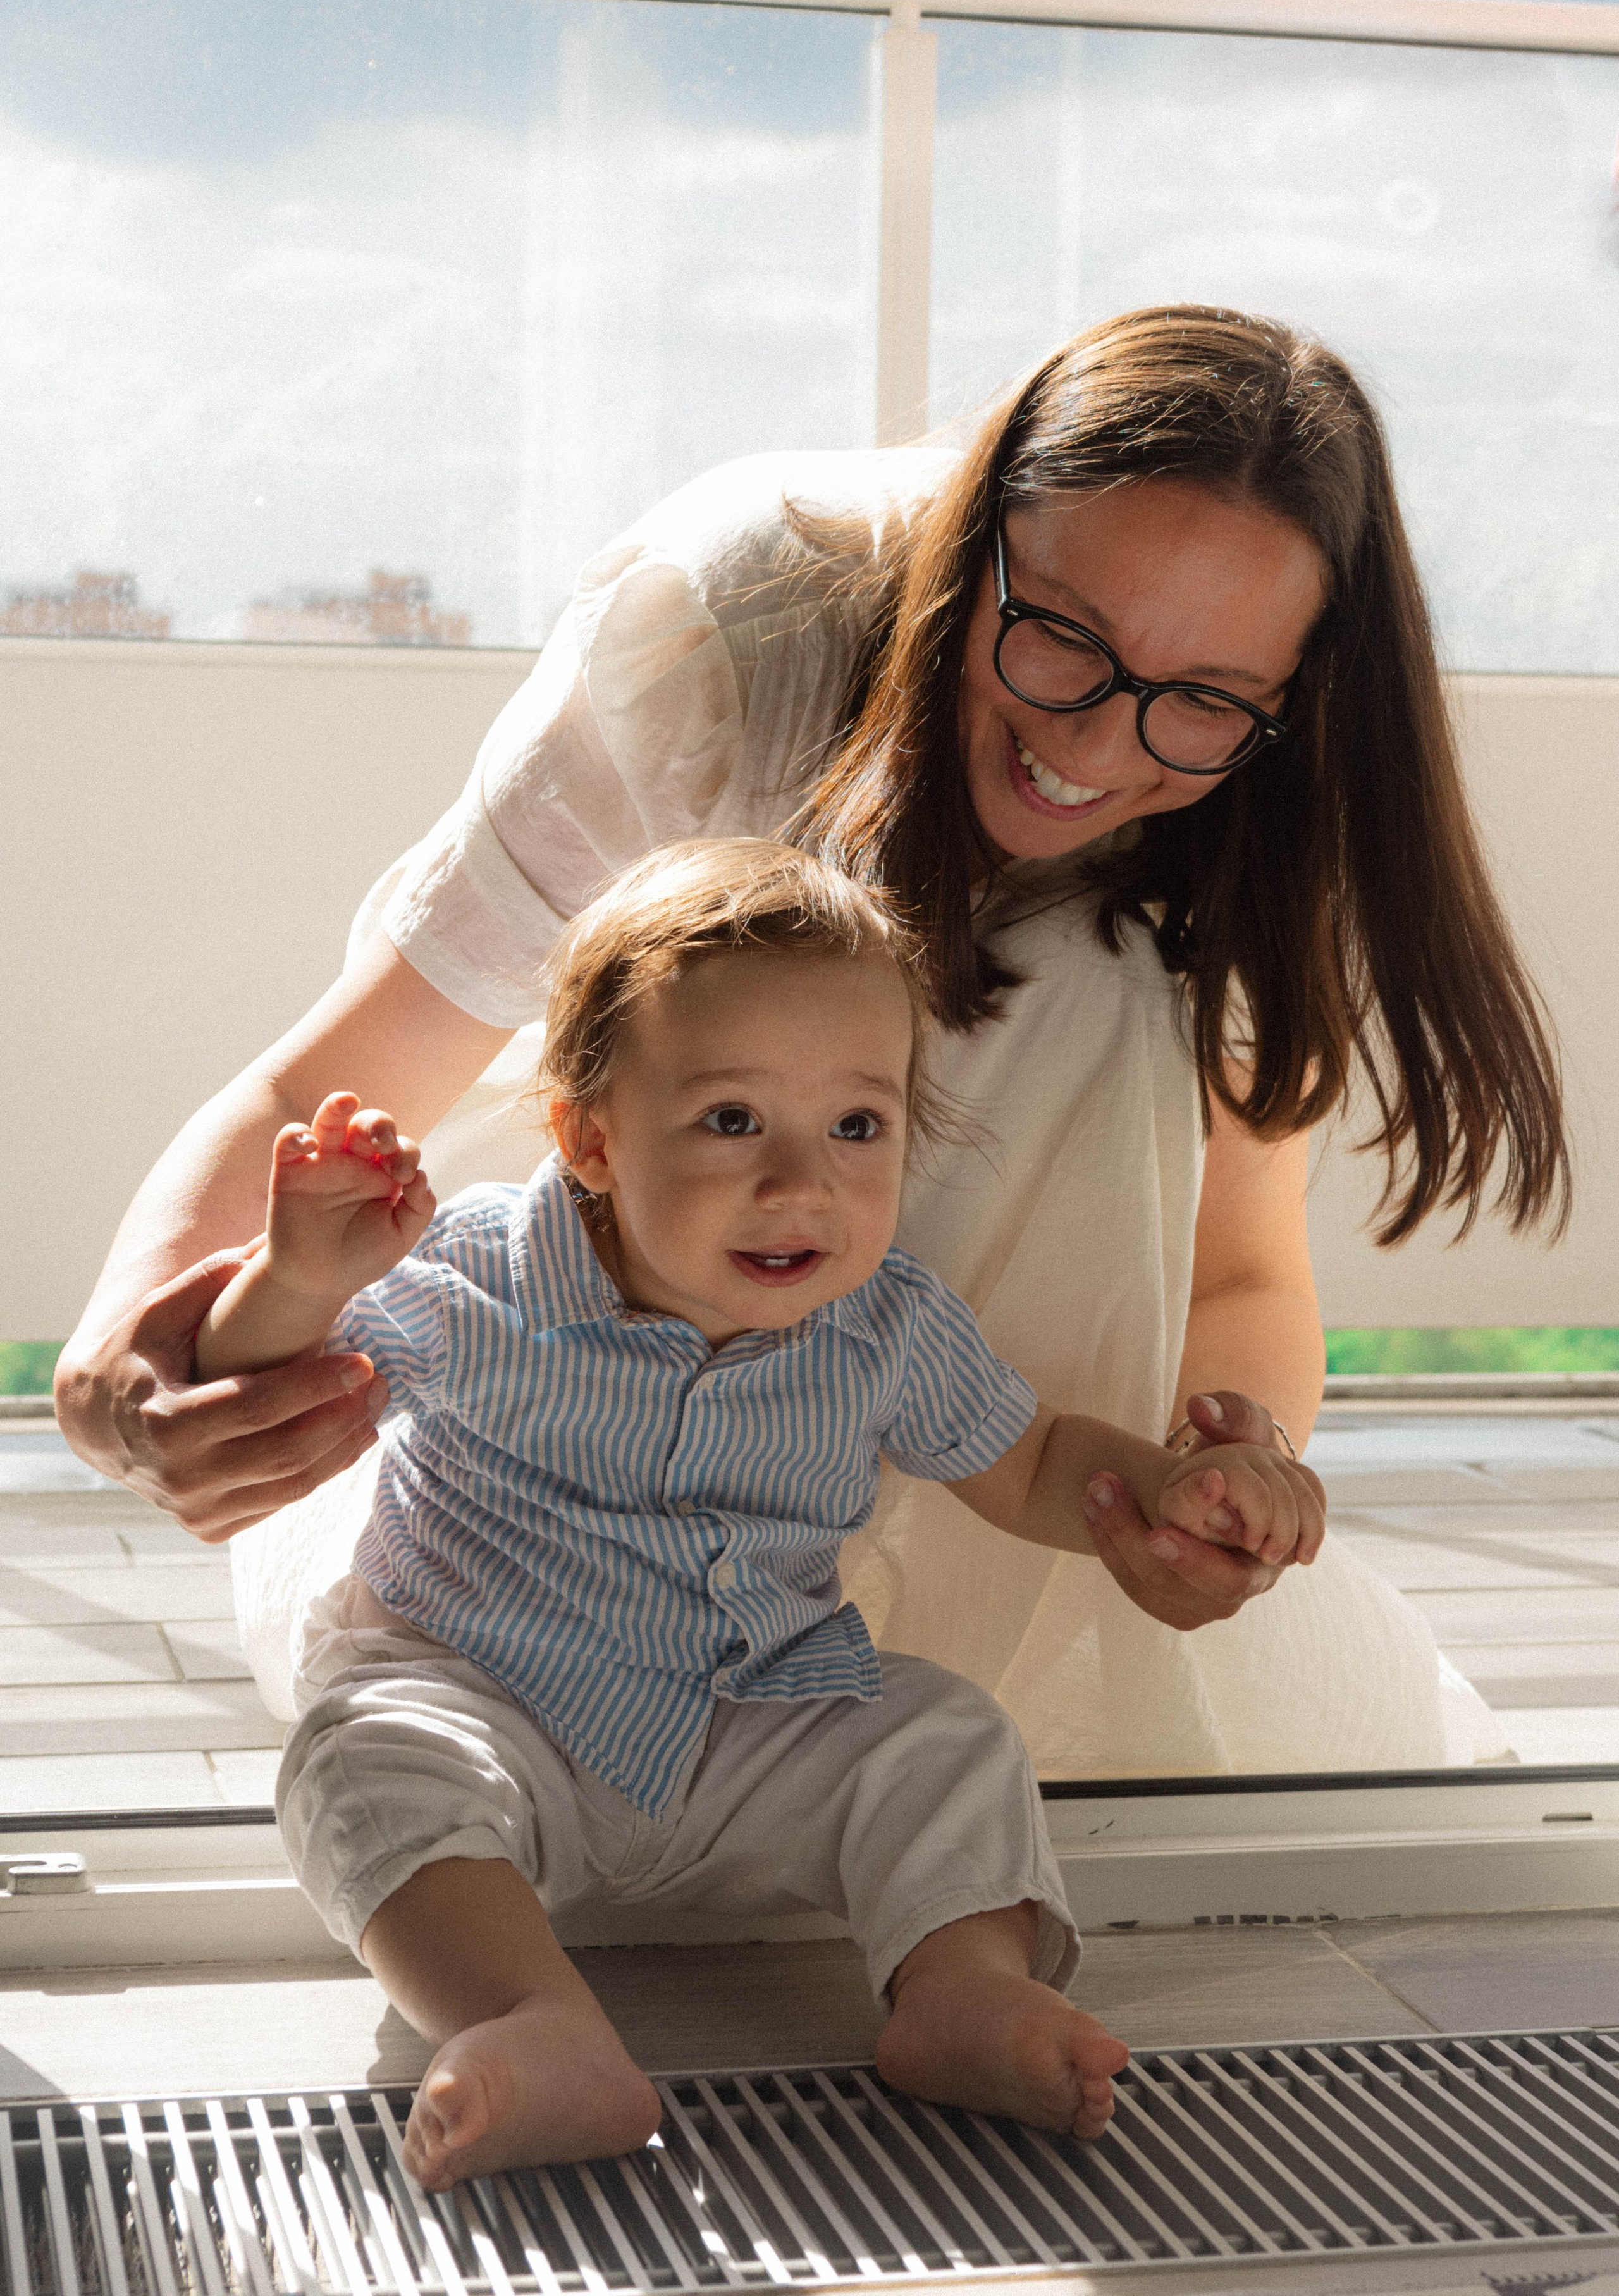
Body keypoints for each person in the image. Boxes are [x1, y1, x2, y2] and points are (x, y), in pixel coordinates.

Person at [56, 304, 1567, 1775]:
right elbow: (349, 1070)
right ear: (971, 538)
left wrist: (1213, 1485)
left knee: (1091, 979)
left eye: (1203, 701)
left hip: (961, 1472)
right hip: (560, 1442)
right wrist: (123, 1348)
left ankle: (924, 1705)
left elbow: (1231, 1272)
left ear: (1287, 700)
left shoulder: (1255, 803)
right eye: (1057, 638)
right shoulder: (737, 630)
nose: (1095, 746)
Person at [193, 842, 1317, 2187]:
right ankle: (528, 2018)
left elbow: (1031, 1465)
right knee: (360, 1758)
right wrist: (296, 1275)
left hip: (758, 1719)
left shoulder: (885, 1323)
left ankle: (957, 1988)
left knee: (946, 1735)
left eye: (858, 1128)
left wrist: (1169, 1489)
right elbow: (254, 1380)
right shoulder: (476, 1276)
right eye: (731, 1121)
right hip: (485, 1696)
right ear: (591, 1139)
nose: (802, 1184)